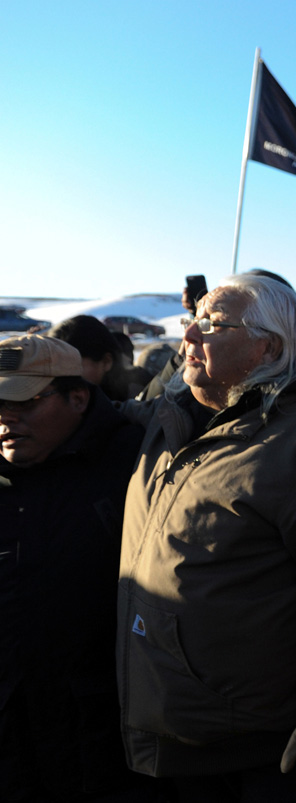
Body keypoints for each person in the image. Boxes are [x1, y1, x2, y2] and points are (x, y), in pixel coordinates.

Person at [117, 273, 296, 801]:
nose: (190, 337)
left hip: (262, 746)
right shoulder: (169, 419)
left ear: (267, 346)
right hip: (170, 728)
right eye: (191, 321)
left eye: (213, 323)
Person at [0, 335, 155, 802]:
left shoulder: (139, 462)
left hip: (106, 730)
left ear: (78, 397)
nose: (7, 417)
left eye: (24, 401)